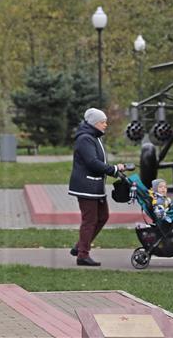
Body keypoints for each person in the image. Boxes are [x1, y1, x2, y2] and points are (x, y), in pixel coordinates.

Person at [68, 108, 126, 266]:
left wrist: (115, 168)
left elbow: (99, 161)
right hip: (86, 186)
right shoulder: (85, 139)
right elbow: (92, 162)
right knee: (90, 220)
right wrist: (113, 169)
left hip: (95, 186)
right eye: (103, 122)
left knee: (103, 216)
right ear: (94, 123)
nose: (106, 124)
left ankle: (80, 246)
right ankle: (83, 255)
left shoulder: (95, 137)